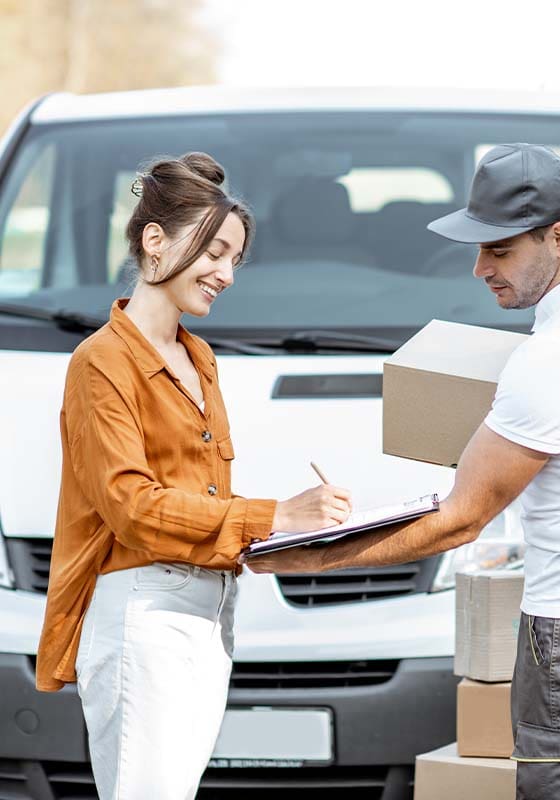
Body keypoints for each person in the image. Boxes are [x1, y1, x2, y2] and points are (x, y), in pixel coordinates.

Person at [248, 143, 560, 800]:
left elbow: (459, 520)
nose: (479, 267)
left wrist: (303, 558)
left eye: (500, 250)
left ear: (559, 238)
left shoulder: (557, 355)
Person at [36, 152, 353, 800]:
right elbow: (132, 506)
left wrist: (291, 537)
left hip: (211, 610)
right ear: (155, 241)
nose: (227, 273)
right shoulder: (100, 363)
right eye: (215, 252)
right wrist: (275, 515)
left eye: (236, 258)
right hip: (143, 613)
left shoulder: (198, 357)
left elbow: (199, 498)